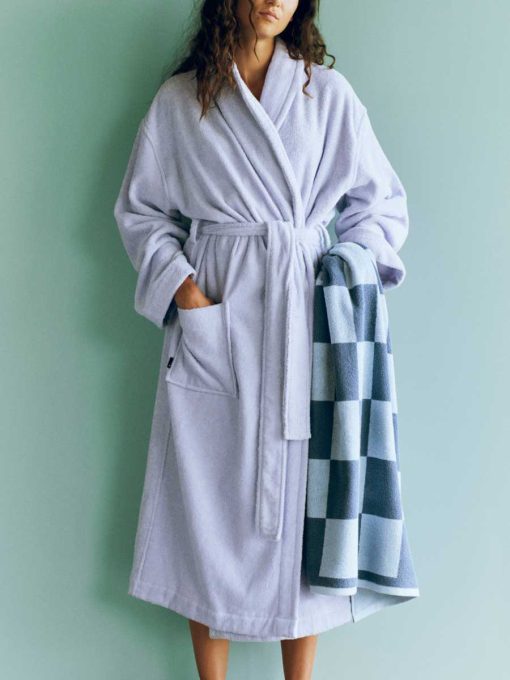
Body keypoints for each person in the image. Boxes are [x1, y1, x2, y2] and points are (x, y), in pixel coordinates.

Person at [113, 1, 409, 678]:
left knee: (304, 505)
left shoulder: (325, 94)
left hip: (307, 319)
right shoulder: (180, 101)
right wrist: (185, 291)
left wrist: (347, 273)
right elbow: (140, 210)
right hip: (216, 318)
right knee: (203, 504)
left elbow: (381, 206)